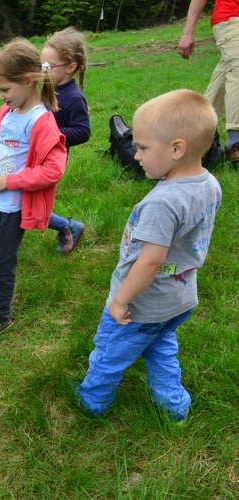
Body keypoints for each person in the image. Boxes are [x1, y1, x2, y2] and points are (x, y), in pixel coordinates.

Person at [75, 90, 222, 421]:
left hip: (143, 303)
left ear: (176, 148)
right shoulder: (210, 183)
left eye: (142, 148)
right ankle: (174, 405)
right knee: (161, 347)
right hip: (180, 297)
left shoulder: (162, 202)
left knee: (110, 353)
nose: (136, 156)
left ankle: (92, 402)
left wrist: (120, 301)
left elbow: (150, 261)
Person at [0, 38, 67, 337]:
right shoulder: (8, 112)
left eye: (5, 90)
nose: (0, 97)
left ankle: (0, 316)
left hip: (11, 207)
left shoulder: (41, 122)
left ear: (28, 81)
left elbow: (53, 170)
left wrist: (12, 181)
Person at [41, 27, 89, 254]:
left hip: (51, 160)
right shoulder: (45, 88)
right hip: (32, 154)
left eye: (49, 66)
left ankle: (69, 227)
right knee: (23, 202)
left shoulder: (74, 98)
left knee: (31, 206)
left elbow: (82, 131)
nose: (43, 70)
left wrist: (51, 133)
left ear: (70, 67)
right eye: (41, 65)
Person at [178, 0, 239, 162]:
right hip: (231, 18)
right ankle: (235, 142)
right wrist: (188, 32)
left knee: (224, 79)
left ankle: (192, 131)